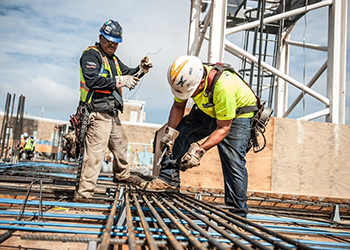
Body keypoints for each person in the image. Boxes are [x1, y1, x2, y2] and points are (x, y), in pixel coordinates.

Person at [141, 55, 257, 218]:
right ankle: (168, 179)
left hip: (237, 115)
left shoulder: (224, 88)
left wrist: (199, 151)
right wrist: (170, 133)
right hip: (210, 109)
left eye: (190, 92)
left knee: (232, 159)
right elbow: (178, 105)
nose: (187, 96)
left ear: (202, 82)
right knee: (180, 134)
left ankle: (237, 213)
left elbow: (223, 128)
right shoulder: (186, 79)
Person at [75, 20, 153, 202]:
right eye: (109, 41)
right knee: (95, 154)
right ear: (101, 37)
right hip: (97, 112)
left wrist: (141, 70)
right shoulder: (91, 56)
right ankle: (84, 193)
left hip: (111, 113)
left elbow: (129, 75)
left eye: (116, 43)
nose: (112, 45)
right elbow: (92, 81)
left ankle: (121, 175)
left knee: (120, 144)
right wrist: (120, 81)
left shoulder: (113, 60)